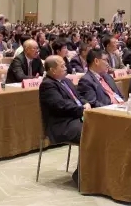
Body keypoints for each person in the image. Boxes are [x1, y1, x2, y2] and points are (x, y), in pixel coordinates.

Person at [39, 55, 90, 185]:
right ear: (52, 70)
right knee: (90, 134)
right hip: (61, 124)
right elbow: (60, 106)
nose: (66, 67)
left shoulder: (66, 80)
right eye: (62, 66)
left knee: (101, 129)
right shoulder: (47, 85)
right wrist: (82, 109)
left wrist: (86, 103)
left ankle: (94, 173)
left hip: (76, 118)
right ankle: (81, 176)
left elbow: (78, 97)